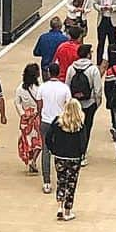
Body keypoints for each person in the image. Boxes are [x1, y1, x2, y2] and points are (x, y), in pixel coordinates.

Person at [46, 99, 86, 222]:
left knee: (61, 180)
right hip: (74, 157)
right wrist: (81, 154)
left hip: (60, 156)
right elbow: (83, 143)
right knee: (71, 184)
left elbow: (48, 138)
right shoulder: (79, 125)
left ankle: (60, 206)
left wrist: (53, 149)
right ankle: (68, 211)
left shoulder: (57, 122)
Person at [65, 44, 102, 155]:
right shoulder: (93, 69)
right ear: (88, 54)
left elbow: (67, 84)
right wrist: (97, 102)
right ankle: (83, 152)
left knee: (75, 126)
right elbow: (98, 89)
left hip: (75, 103)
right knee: (87, 127)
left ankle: (74, 149)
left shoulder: (71, 68)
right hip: (89, 103)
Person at [38, 62, 70, 193]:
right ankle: (62, 178)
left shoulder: (42, 87)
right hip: (60, 122)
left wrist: (41, 116)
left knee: (46, 151)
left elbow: (39, 104)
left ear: (49, 73)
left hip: (46, 121)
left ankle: (46, 181)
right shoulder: (65, 88)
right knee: (61, 152)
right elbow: (68, 105)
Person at [14, 63, 44, 178]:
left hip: (25, 119)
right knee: (39, 141)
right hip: (36, 118)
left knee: (27, 141)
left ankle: (31, 159)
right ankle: (33, 160)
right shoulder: (39, 88)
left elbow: (17, 103)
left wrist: (22, 114)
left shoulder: (20, 89)